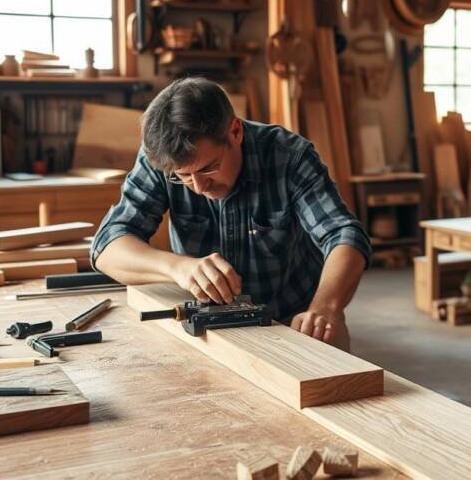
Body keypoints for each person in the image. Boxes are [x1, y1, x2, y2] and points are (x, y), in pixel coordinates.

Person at [91, 77, 370, 350]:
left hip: (293, 319)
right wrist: (178, 267)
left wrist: (325, 307)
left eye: (208, 168)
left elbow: (344, 235)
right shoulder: (164, 158)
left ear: (235, 132)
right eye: (183, 177)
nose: (199, 187)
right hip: (210, 324)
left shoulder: (289, 157)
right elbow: (107, 247)